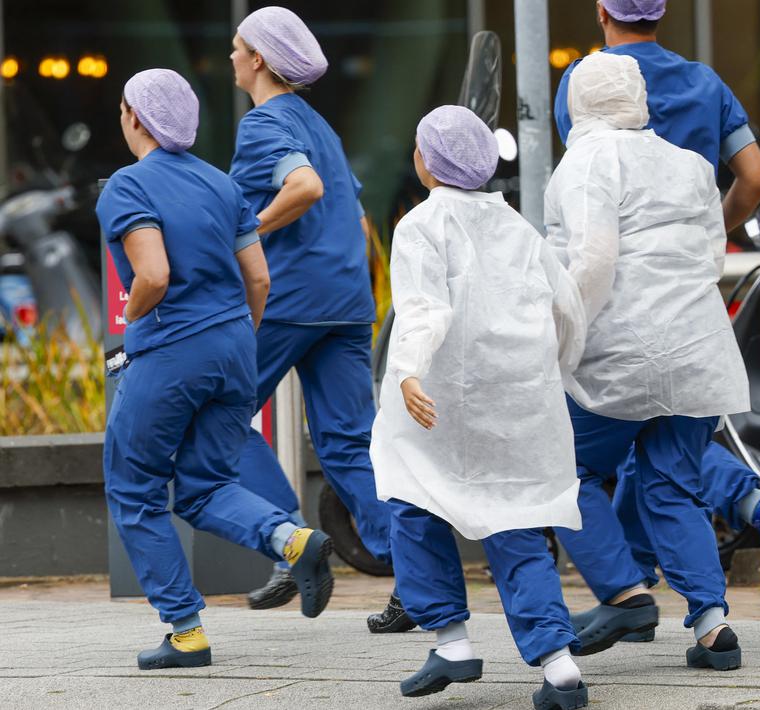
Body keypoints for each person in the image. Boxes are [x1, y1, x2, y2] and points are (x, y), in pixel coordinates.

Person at [555, 0, 760, 613]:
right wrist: (704, 235)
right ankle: (716, 587)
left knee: (583, 455)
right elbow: (756, 177)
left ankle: (626, 593)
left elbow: (592, 215)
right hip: (689, 303)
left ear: (601, 12)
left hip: (616, 309)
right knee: (668, 456)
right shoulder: (705, 83)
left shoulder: (587, 81)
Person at [97, 69, 334, 670]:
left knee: (135, 489)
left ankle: (186, 631)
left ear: (134, 117)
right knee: (207, 488)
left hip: (170, 352)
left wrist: (134, 322)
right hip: (233, 351)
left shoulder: (128, 185)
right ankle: (291, 538)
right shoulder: (221, 184)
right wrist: (236, 338)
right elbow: (260, 278)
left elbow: (152, 275)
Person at [370, 105, 589, 709]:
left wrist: (408, 370)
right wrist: (553, 369)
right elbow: (568, 309)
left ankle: (452, 641)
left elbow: (422, 309)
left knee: (413, 503)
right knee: (517, 522)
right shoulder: (518, 228)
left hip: (440, 404)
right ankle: (559, 664)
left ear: (426, 161)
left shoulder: (421, 224)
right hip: (518, 405)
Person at [546, 52, 751, 670]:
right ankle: (713, 628)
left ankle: (624, 594)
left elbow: (592, 261)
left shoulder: (585, 162)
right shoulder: (691, 164)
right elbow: (711, 254)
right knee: (672, 486)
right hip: (697, 351)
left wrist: (558, 338)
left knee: (563, 471)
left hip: (619, 352)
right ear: (639, 100)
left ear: (577, 103)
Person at [225, 6, 407, 633]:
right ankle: (417, 581)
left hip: (289, 300)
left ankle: (290, 543)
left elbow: (305, 188)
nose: (230, 56)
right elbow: (356, 217)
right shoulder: (317, 124)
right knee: (349, 440)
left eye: (237, 47)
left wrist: (243, 232)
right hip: (347, 301)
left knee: (221, 411)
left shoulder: (263, 122)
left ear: (258, 60)